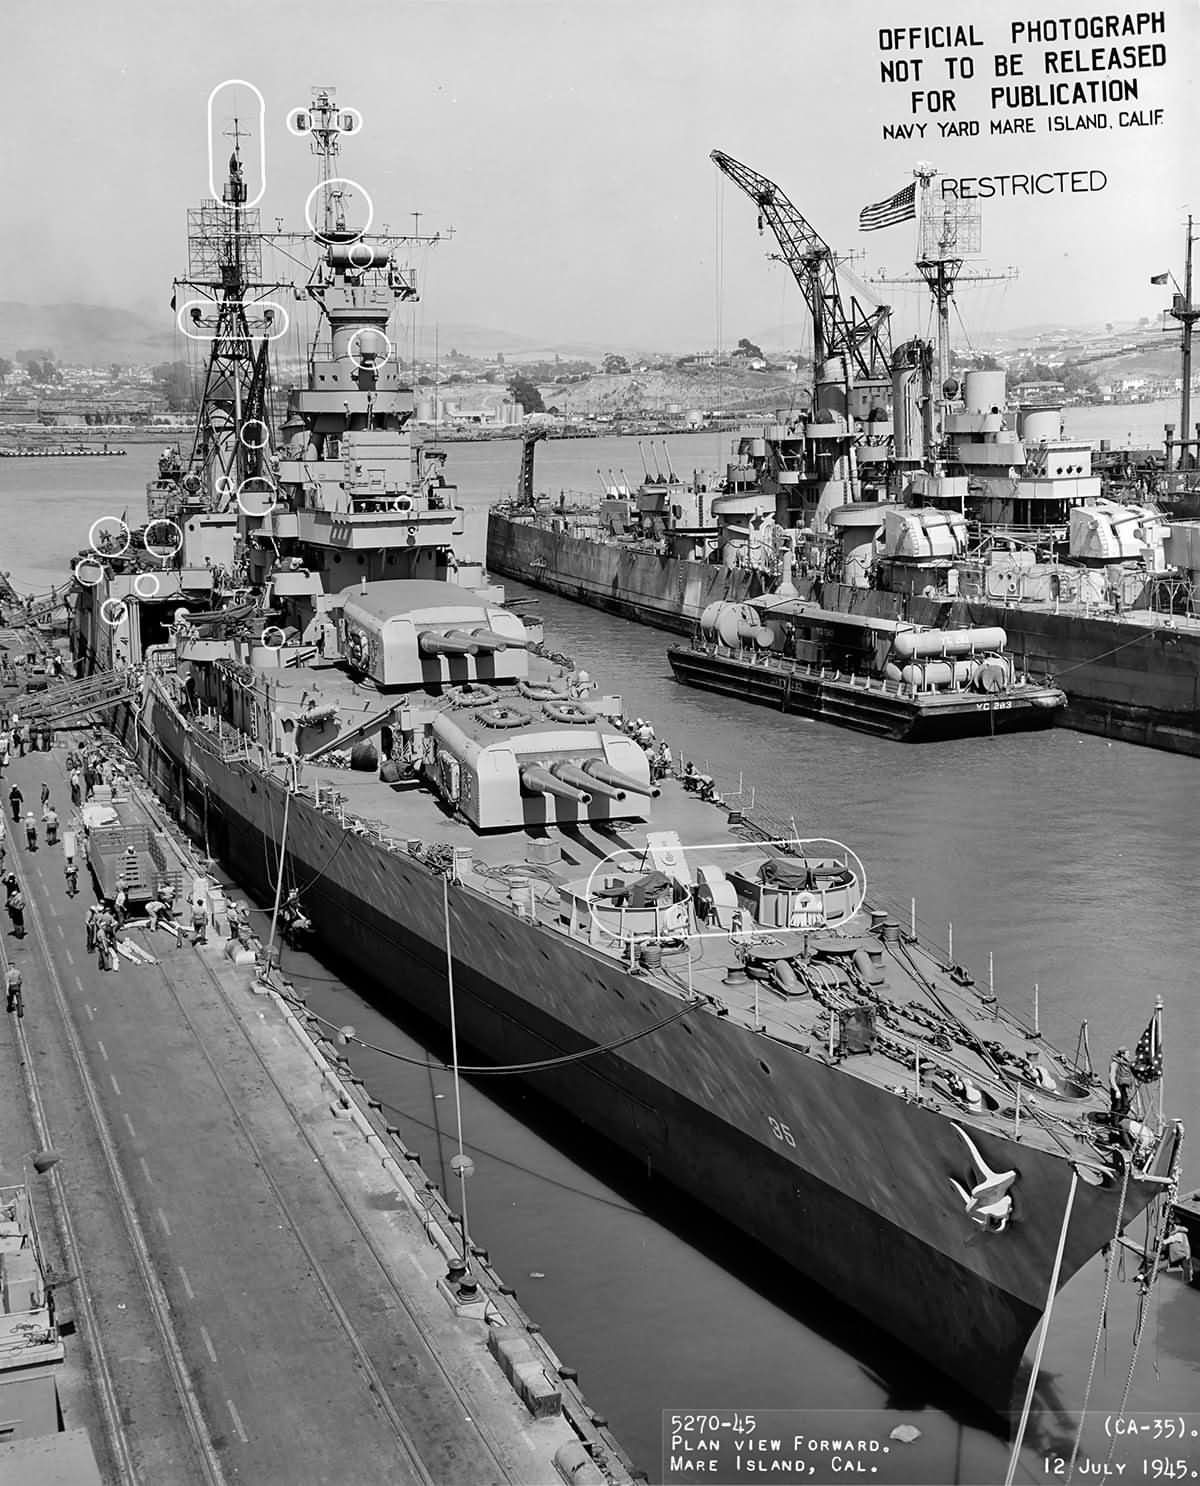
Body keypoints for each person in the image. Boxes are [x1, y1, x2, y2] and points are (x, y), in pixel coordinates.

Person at [1109, 1046, 1135, 1120]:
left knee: (1126, 1107)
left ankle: (1117, 1120)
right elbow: (1111, 1077)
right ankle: (1114, 1124)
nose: (1129, 1056)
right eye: (1127, 1054)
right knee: (1117, 1107)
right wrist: (1116, 1090)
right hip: (1116, 1087)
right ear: (1122, 1055)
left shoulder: (1126, 1064)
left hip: (1123, 1088)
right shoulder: (1115, 1063)